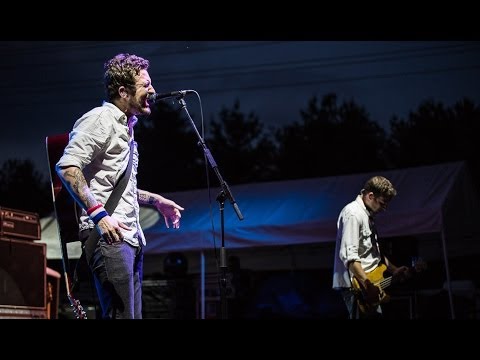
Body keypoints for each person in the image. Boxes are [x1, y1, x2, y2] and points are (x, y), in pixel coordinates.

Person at [56, 53, 185, 319]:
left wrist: (156, 200)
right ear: (124, 91)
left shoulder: (126, 128)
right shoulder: (100, 119)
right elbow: (68, 168)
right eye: (146, 84)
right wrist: (99, 215)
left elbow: (116, 186)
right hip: (109, 238)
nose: (153, 90)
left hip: (129, 238)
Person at [332, 176, 409, 319]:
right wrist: (367, 284)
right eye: (382, 203)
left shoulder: (367, 215)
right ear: (370, 196)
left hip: (369, 283)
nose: (384, 208)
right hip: (358, 286)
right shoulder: (353, 213)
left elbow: (373, 253)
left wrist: (393, 269)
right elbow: (350, 257)